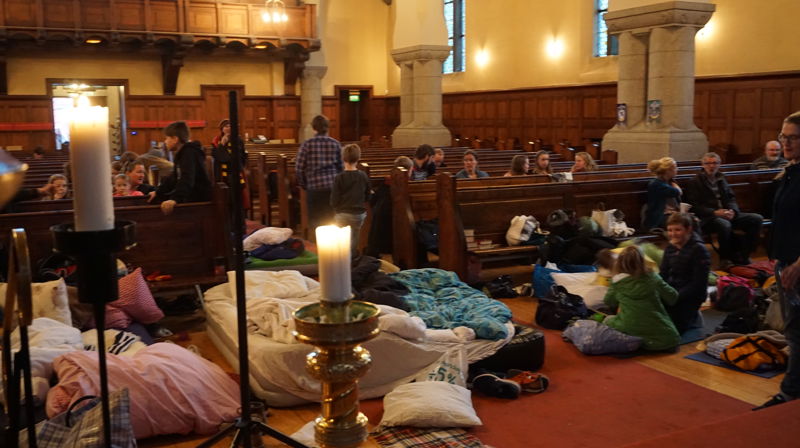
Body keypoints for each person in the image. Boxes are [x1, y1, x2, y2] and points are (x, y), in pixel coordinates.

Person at [755, 111, 800, 410]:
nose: (786, 142)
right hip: (786, 263)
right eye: (784, 136)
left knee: (799, 331)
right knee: (794, 329)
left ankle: (789, 392)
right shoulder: (790, 172)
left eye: (793, 137)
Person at [685, 152, 763, 267]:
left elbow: (731, 197)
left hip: (726, 213)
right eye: (708, 163)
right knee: (724, 224)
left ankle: (744, 255)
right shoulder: (695, 182)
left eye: (715, 163)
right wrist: (714, 212)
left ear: (719, 164)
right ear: (703, 165)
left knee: (756, 219)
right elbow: (695, 206)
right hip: (708, 218)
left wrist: (733, 211)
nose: (712, 166)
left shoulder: (721, 178)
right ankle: (725, 259)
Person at [602, 245, 681, 351]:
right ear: (642, 261)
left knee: (607, 320)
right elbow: (673, 297)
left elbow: (608, 301)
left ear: (619, 263)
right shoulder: (653, 278)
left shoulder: (616, 282)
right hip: (662, 335)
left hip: (627, 325)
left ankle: (631, 340)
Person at [659, 212, 710, 334]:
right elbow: (663, 273)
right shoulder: (670, 247)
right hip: (673, 290)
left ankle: (694, 318)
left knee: (672, 330)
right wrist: (660, 290)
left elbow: (699, 284)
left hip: (691, 294)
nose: (673, 234)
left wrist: (675, 296)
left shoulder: (699, 249)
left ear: (689, 229)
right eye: (670, 230)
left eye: (678, 230)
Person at [149, 121, 212, 215]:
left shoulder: (189, 153)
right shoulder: (183, 153)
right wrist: (158, 192)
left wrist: (175, 199)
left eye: (167, 138)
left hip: (198, 203)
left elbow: (187, 178)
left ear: (175, 139)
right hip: (191, 198)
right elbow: (174, 178)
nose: (165, 142)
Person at [295, 115, 343, 230]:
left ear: (314, 128)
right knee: (332, 219)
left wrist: (304, 184)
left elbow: (299, 168)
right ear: (328, 127)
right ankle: (333, 246)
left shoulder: (307, 144)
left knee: (316, 221)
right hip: (332, 186)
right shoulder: (335, 144)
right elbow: (341, 168)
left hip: (314, 187)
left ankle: (318, 245)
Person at [330, 144, 372, 256]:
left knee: (342, 239)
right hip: (359, 214)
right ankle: (352, 257)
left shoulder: (339, 177)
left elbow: (334, 199)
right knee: (355, 236)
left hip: (343, 213)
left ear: (343, 158)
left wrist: (337, 208)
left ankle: (342, 257)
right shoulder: (363, 176)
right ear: (358, 158)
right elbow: (368, 195)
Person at [211, 118, 249, 209]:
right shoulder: (216, 141)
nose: (228, 128)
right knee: (226, 198)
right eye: (226, 126)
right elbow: (221, 157)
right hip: (222, 173)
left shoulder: (238, 140)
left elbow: (242, 156)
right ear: (222, 129)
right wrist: (222, 145)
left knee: (238, 197)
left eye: (230, 126)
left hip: (235, 172)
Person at [643, 157, 681, 230]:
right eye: (675, 168)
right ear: (668, 170)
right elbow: (677, 192)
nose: (677, 170)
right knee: (681, 224)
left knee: (692, 221)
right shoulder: (656, 184)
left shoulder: (669, 182)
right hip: (660, 217)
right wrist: (677, 188)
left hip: (672, 214)